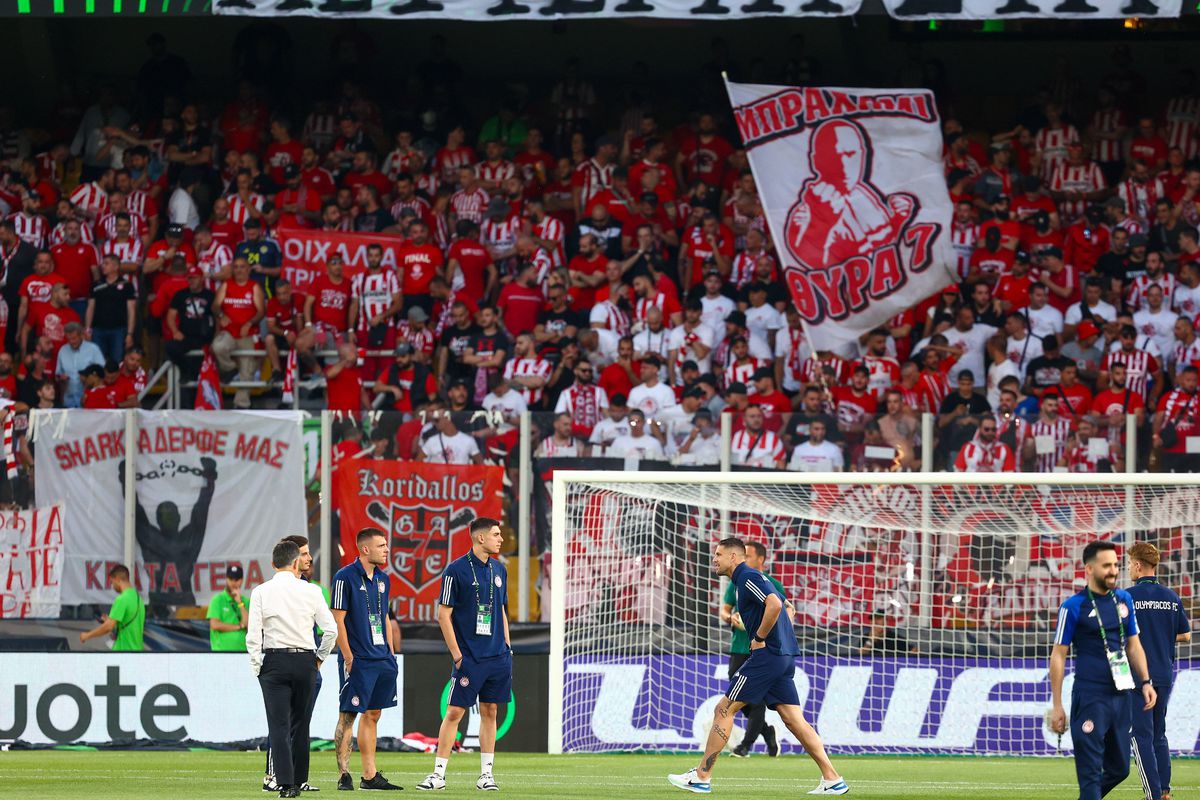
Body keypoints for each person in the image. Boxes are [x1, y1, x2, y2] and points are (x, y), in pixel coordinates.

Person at [668, 537, 848, 796]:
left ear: (733, 557)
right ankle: (833, 779)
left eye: (719, 554)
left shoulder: (745, 577)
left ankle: (701, 776)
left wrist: (761, 637)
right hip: (783, 656)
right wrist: (779, 634)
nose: (714, 559)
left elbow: (775, 605)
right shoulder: (753, 579)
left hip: (767, 657)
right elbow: (787, 607)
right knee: (794, 720)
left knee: (724, 709)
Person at [1047, 540, 1158, 800]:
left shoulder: (1125, 599)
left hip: (1121, 696)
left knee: (1120, 769)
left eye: (1116, 565)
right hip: (1090, 698)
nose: (1113, 570)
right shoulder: (1073, 607)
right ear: (1089, 568)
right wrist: (1057, 704)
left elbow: (1134, 645)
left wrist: (1146, 681)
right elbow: (1058, 656)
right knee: (1090, 776)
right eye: (1106, 565)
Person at [417, 517, 512, 792]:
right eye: (496, 534)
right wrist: (458, 655)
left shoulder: (499, 570)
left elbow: (502, 610)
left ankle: (486, 775)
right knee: (455, 712)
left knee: (490, 711)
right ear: (480, 538)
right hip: (470, 658)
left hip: (498, 657)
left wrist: (507, 645)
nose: (500, 539)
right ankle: (437, 775)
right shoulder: (455, 571)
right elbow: (443, 615)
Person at [247, 539, 337, 799]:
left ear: (274, 564)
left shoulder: (261, 591)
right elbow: (330, 630)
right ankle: (300, 780)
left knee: (278, 725)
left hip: (275, 661)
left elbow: (253, 635)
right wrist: (318, 660)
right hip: (305, 661)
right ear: (296, 562)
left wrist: (257, 667)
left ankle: (285, 785)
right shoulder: (312, 591)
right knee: (301, 724)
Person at [332, 528, 403, 791]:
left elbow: (383, 616)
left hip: (381, 658)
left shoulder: (384, 579)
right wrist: (348, 657)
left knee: (373, 714)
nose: (386, 549)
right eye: (381, 545)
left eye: (386, 545)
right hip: (358, 659)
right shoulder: (344, 578)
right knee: (348, 715)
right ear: (365, 549)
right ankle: (344, 776)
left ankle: (369, 776)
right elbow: (337, 620)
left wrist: (390, 652)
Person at [1125, 542, 1191, 800]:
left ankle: (1152, 795)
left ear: (1139, 565)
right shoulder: (1172, 598)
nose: (1129, 568)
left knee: (1141, 735)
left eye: (1130, 563)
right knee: (1159, 734)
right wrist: (1161, 633)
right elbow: (1185, 635)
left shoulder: (1127, 597)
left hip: (1139, 678)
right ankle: (1164, 791)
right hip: (1164, 674)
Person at [720, 541, 794, 759]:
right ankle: (767, 732)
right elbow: (724, 611)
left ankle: (745, 746)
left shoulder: (770, 583)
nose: (745, 560)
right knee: (741, 695)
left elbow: (785, 608)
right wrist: (730, 618)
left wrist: (765, 635)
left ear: (760, 559)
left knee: (752, 700)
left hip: (761, 648)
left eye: (749, 556)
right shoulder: (735, 584)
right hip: (740, 646)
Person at [79, 564, 145, 651]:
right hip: (138, 652)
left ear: (117, 579)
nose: (112, 586)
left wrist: (87, 635)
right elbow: (131, 625)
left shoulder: (122, 599)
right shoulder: (138, 599)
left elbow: (108, 627)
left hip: (123, 652)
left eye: (112, 582)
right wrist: (110, 621)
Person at [207, 564, 249, 652]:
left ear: (242, 580)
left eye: (237, 579)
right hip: (221, 652)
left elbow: (248, 624)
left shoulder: (246, 601)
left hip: (242, 651)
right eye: (231, 579)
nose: (233, 583)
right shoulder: (217, 600)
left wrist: (240, 603)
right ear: (226, 579)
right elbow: (214, 625)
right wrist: (239, 626)